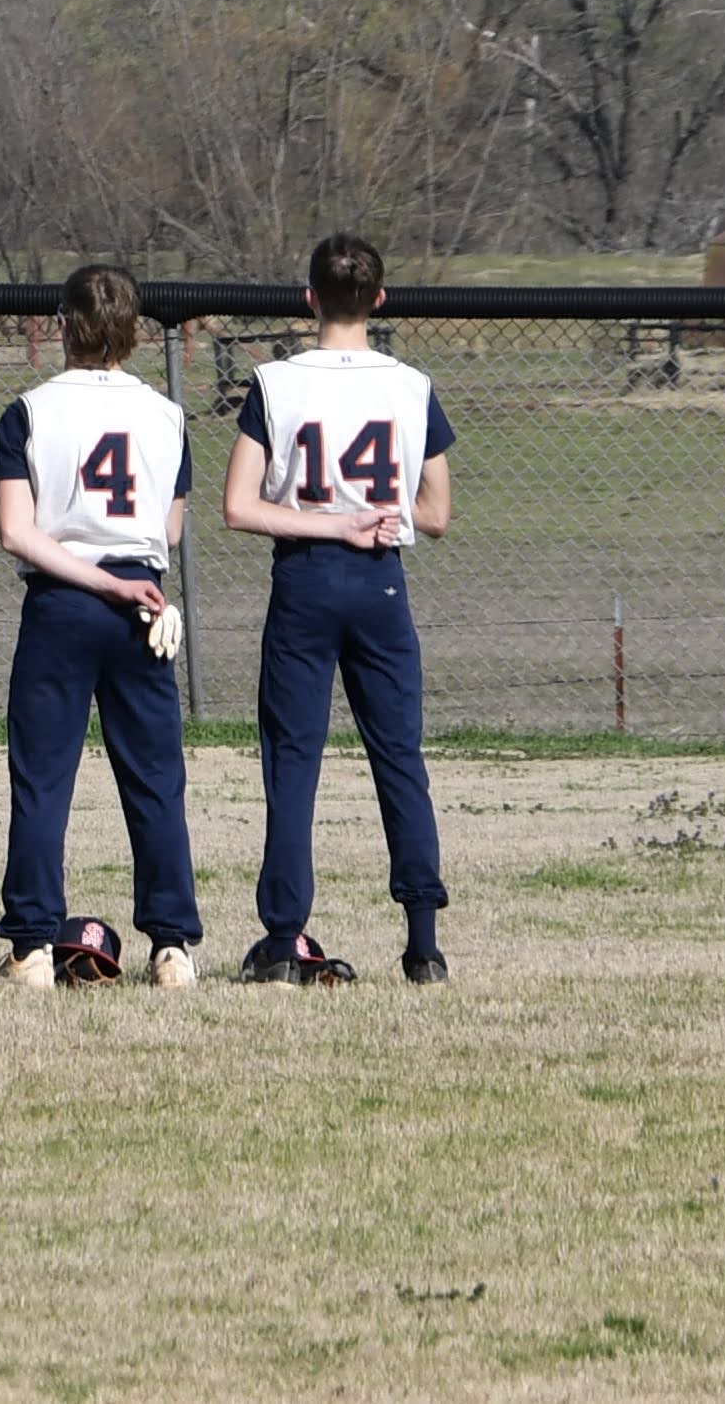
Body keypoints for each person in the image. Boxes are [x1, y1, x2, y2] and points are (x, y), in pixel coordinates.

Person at [223, 230, 456, 985]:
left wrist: (326, 519)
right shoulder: (410, 384)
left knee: (294, 760)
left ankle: (286, 935)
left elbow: (239, 505)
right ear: (379, 300)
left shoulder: (276, 382)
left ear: (309, 297)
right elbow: (439, 510)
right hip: (381, 577)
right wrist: (377, 513)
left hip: (306, 576)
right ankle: (423, 943)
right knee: (399, 756)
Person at [0, 263, 201, 987]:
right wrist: (127, 579)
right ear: (134, 332)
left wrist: (95, 573)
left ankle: (32, 944)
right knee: (154, 778)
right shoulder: (168, 415)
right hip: (143, 601)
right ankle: (172, 944)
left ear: (63, 326)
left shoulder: (30, 410)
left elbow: (17, 531)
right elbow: (167, 530)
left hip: (63, 600)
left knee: (44, 777)